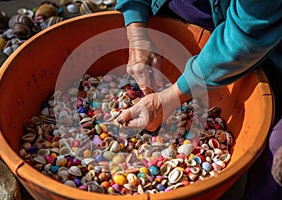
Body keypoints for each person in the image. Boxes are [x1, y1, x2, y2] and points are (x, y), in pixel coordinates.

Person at [114, 0, 282, 199]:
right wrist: (136, 30)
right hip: (179, 17)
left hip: (259, 43)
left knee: (275, 163)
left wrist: (171, 98)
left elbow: (245, 37)